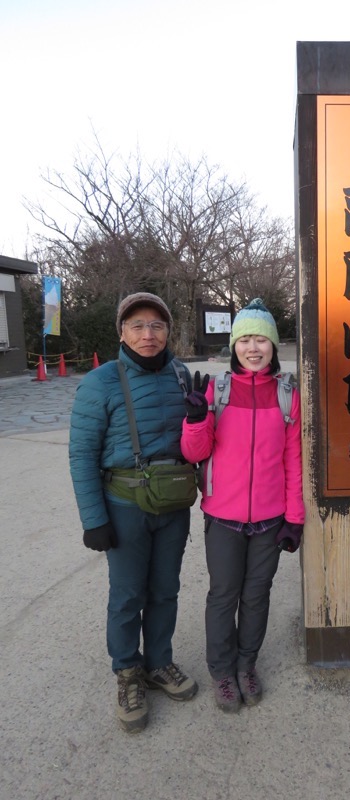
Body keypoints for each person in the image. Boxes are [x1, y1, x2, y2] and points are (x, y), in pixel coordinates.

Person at [69, 292, 198, 734]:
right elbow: (82, 453)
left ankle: (158, 662)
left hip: (173, 505)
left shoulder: (182, 375)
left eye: (157, 326)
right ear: (121, 331)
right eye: (138, 325)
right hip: (123, 507)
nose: (149, 334)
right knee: (127, 594)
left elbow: (198, 439)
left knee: (165, 588)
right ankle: (127, 672)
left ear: (168, 331)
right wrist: (94, 520)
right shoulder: (99, 382)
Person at [180, 298, 304, 713]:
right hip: (223, 517)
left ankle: (246, 665)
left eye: (261, 340)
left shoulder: (287, 394)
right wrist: (196, 418)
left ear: (272, 345)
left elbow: (293, 460)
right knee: (223, 596)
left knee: (256, 596)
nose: (253, 348)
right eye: (245, 340)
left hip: (270, 520)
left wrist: (295, 518)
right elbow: (195, 451)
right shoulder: (218, 390)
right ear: (234, 346)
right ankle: (221, 671)